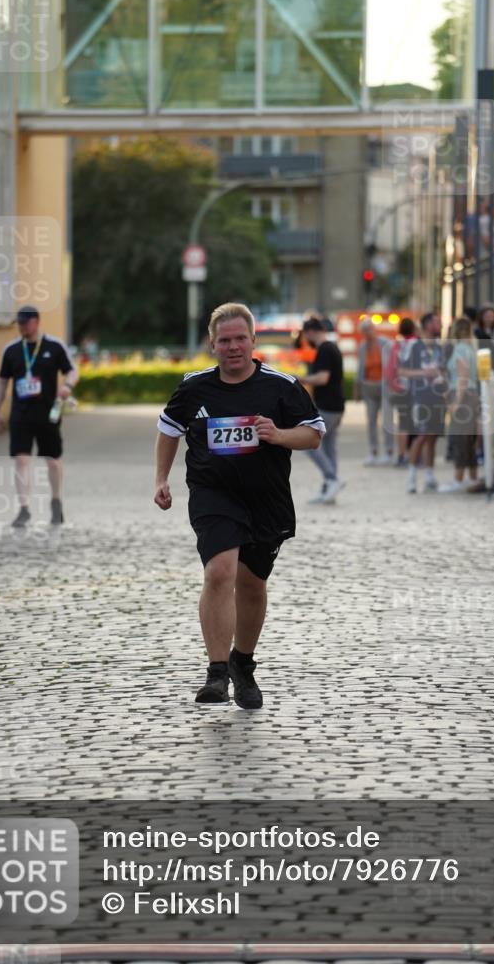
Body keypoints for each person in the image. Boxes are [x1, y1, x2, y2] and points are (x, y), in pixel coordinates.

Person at [154, 302, 324, 709]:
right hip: (214, 494)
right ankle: (216, 674)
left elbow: (314, 434)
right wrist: (161, 479)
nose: (232, 347)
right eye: (224, 340)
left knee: (252, 584)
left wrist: (278, 435)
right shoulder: (194, 388)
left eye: (239, 339)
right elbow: (168, 429)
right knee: (219, 571)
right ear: (213, 344)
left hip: (266, 499)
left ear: (253, 341)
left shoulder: (280, 386)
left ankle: (242, 664)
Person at [0, 305, 79, 527]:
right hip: (20, 414)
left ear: (36, 322)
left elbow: (72, 370)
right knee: (21, 459)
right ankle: (24, 508)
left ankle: (56, 502)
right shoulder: (11, 350)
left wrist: (68, 385)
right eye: (18, 323)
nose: (21, 326)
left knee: (53, 461)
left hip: (48, 413)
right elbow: (2, 382)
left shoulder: (54, 346)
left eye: (25, 322)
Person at [399, 311, 447, 494]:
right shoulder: (414, 346)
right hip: (420, 397)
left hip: (437, 397)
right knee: (421, 435)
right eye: (437, 322)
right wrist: (423, 374)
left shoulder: (439, 347)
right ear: (428, 325)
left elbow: (442, 370)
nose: (440, 326)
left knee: (433, 437)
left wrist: (442, 377)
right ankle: (411, 477)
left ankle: (429, 476)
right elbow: (401, 371)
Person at [301, 316, 346, 504]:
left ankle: (332, 478)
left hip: (327, 406)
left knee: (309, 443)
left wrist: (300, 379)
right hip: (336, 406)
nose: (306, 340)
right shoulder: (332, 347)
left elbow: (322, 378)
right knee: (328, 448)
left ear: (311, 332)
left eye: (306, 335)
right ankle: (329, 488)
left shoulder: (325, 350)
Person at [439, 317, 479, 493]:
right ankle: (472, 476)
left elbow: (462, 374)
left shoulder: (461, 348)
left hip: (462, 396)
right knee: (469, 439)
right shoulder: (471, 348)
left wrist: (456, 401)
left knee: (459, 438)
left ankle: (458, 479)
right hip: (471, 394)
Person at [357, 319, 394, 466]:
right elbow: (361, 369)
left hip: (385, 387)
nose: (368, 332)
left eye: (370, 329)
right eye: (365, 330)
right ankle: (373, 452)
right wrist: (358, 388)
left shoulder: (386, 343)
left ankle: (390, 452)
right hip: (369, 387)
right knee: (371, 421)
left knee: (387, 420)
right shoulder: (362, 348)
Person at [390, 317, 418, 467]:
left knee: (403, 425)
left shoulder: (397, 345)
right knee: (417, 423)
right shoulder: (417, 343)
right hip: (416, 389)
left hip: (401, 388)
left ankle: (401, 455)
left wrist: (395, 386)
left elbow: (390, 370)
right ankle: (415, 456)